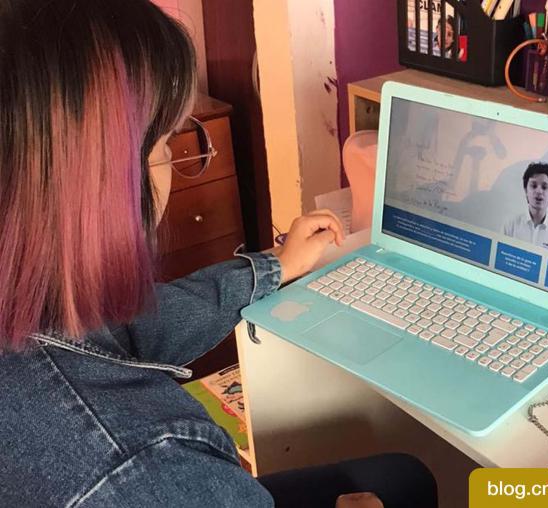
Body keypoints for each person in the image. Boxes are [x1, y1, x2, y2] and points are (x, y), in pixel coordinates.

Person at [0, 1, 437, 507]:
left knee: (400, 475)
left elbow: (137, 329)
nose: (168, 162)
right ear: (104, 184)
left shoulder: (36, 308)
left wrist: (278, 266)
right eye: (165, 143)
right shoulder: (146, 472)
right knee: (399, 483)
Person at [502, 162, 548, 254]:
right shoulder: (509, 226)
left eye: (544, 187)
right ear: (526, 190)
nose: (538, 191)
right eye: (533, 186)